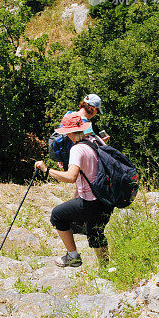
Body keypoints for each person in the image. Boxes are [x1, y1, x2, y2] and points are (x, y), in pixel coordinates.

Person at [35, 105, 113, 268]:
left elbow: (71, 177)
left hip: (91, 201)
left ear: (69, 132)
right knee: (95, 232)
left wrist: (46, 170)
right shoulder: (95, 140)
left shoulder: (77, 149)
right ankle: (105, 268)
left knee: (57, 215)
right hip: (106, 197)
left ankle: (73, 256)